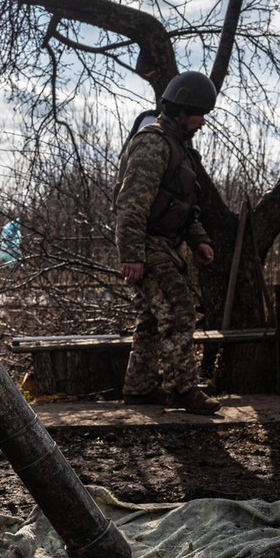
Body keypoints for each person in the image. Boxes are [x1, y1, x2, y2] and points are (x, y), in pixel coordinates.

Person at [114, 71, 221, 415]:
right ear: (181, 110)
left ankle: (141, 386)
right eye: (199, 113)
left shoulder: (181, 149)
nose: (202, 122)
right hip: (148, 245)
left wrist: (199, 240)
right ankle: (182, 390)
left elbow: (185, 207)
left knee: (150, 317)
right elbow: (131, 203)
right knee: (179, 310)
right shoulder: (154, 143)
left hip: (167, 245)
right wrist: (131, 254)